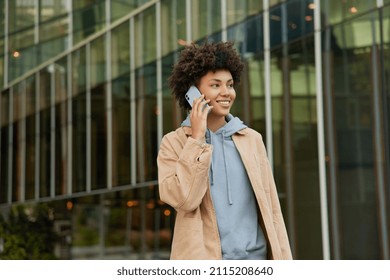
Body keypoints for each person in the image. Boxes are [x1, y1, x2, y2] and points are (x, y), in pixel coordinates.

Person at [157, 41, 292, 260]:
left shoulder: (251, 140)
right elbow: (184, 200)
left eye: (229, 85)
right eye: (215, 85)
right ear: (193, 92)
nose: (226, 92)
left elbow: (272, 210)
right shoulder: (174, 143)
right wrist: (197, 140)